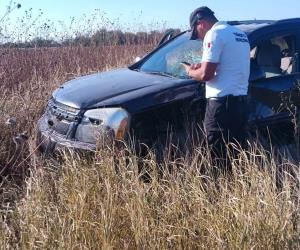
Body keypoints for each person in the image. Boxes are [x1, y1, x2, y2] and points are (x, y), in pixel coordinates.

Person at [182, 6, 250, 171]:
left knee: (216, 156)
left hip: (221, 106)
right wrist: (202, 66)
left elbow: (206, 75)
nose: (198, 38)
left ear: (202, 23)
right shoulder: (239, 34)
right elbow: (228, 64)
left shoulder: (214, 33)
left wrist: (190, 71)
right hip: (240, 104)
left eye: (196, 33)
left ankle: (217, 192)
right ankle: (236, 191)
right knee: (236, 154)